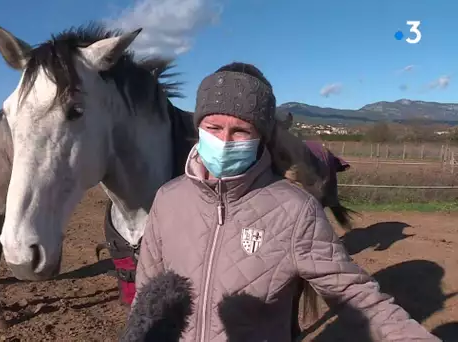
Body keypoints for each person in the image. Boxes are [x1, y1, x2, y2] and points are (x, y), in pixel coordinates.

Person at [132, 62, 439, 341]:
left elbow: (352, 292)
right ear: (199, 128)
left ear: (261, 138)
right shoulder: (167, 199)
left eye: (240, 130)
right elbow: (147, 296)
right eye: (213, 128)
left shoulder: (295, 209)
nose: (224, 142)